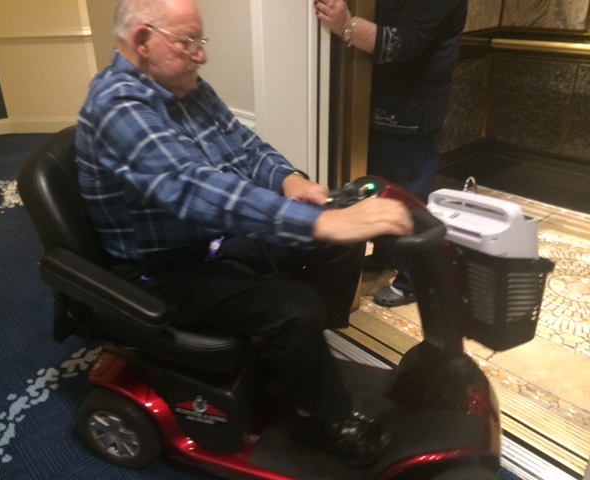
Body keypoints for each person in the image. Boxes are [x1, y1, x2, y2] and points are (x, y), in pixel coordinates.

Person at [76, 0, 412, 467]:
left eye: (200, 41)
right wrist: (318, 221)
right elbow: (191, 186)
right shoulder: (118, 107)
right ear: (142, 41)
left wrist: (288, 179)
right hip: (159, 270)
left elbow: (245, 146)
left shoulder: (184, 87)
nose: (201, 55)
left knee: (338, 245)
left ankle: (298, 361)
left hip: (210, 243)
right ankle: (320, 418)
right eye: (187, 43)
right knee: (293, 307)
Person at [314, 0, 468, 307]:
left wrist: (346, 25)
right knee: (380, 190)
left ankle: (415, 279)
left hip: (413, 110)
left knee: (410, 198)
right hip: (381, 103)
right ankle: (388, 256)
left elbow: (405, 43)